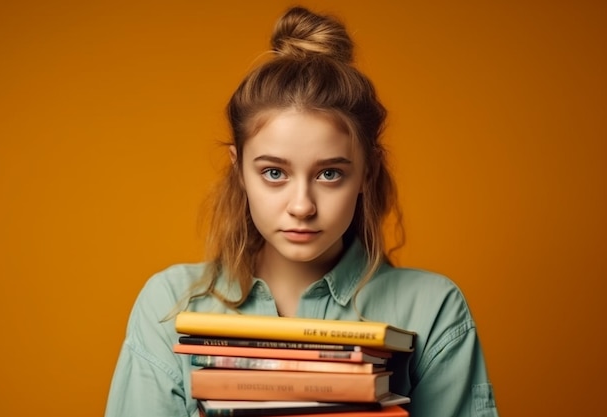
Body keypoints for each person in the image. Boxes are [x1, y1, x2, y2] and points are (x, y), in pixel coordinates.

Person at [104, 6, 499, 417]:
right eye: (274, 172)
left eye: (330, 174)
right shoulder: (172, 304)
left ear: (368, 172)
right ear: (239, 169)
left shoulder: (432, 308)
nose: (302, 206)